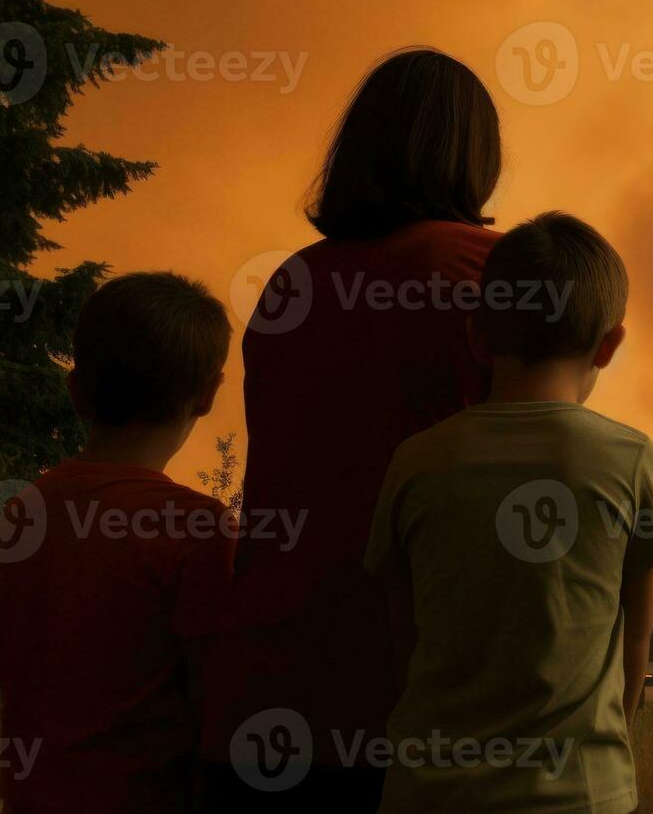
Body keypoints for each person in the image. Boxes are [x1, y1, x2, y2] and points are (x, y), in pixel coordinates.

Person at [196, 48, 502, 807]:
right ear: (475, 155)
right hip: (420, 703)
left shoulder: (289, 284)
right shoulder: (491, 270)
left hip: (258, 698)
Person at [364, 212, 653, 813]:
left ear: (478, 335)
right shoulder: (629, 459)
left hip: (429, 794)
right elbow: (638, 631)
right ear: (609, 345)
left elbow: (404, 638)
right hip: (582, 794)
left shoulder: (417, 460)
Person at [0, 272, 234, 813]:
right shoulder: (198, 530)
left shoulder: (21, 513)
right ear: (210, 393)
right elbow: (220, 717)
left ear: (76, 388)